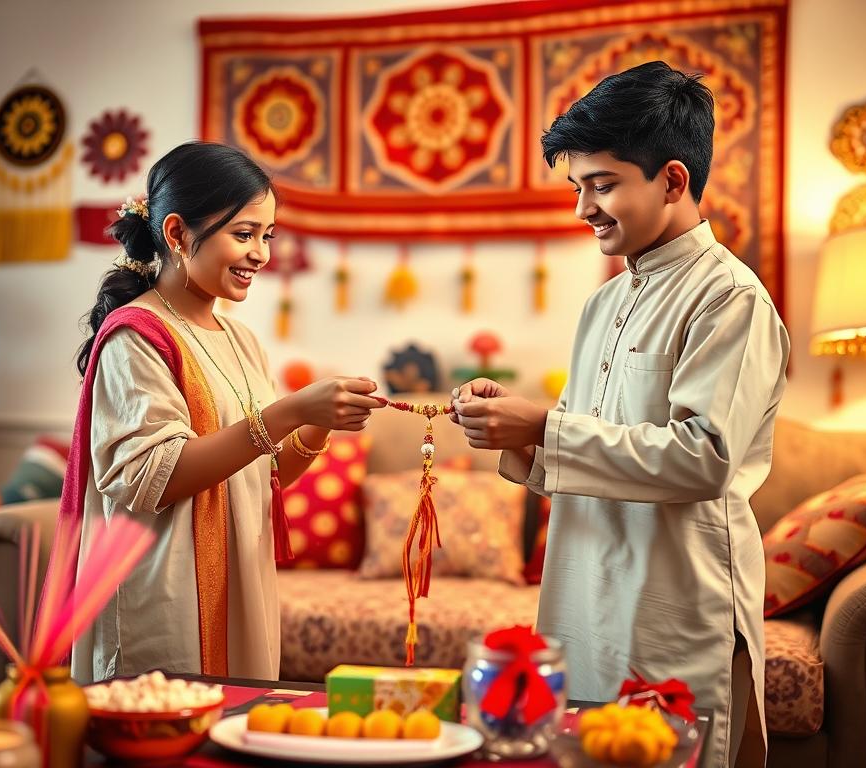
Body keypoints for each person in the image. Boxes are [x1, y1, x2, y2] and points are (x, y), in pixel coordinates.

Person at [451, 61, 789, 767]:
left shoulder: (730, 300)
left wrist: (543, 428)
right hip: (584, 589)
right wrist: (513, 432)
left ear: (672, 179)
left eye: (602, 185)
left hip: (672, 599)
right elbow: (580, 454)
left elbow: (705, 457)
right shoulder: (604, 302)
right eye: (578, 187)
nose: (583, 209)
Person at [55, 141, 383, 683]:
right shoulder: (137, 338)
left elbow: (264, 475)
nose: (262, 255)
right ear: (178, 234)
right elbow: (151, 480)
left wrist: (318, 423)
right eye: (244, 234)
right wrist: (290, 409)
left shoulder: (240, 340)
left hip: (240, 582)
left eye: (267, 236)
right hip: (167, 587)